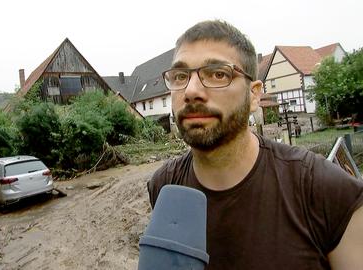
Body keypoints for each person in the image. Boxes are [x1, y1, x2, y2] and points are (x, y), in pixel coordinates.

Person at [147, 20, 363, 270]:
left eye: (218, 74)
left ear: (254, 95)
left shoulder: (326, 191)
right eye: (180, 76)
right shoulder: (164, 186)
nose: (191, 90)